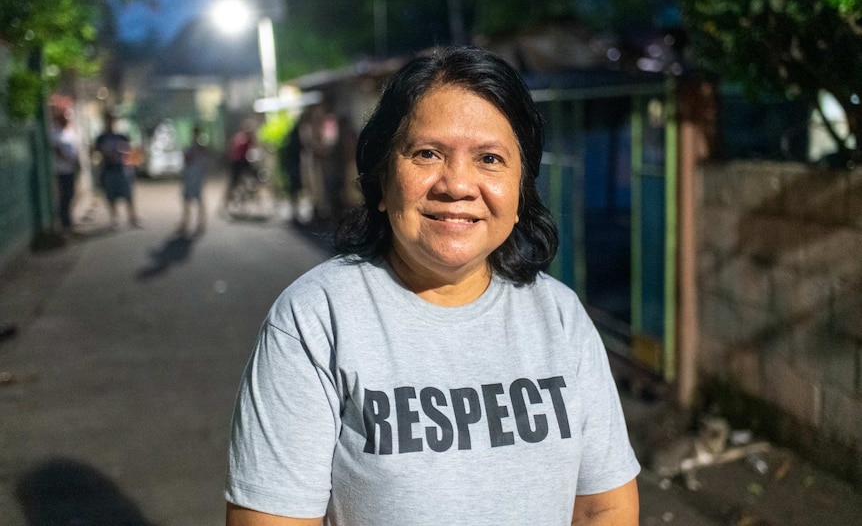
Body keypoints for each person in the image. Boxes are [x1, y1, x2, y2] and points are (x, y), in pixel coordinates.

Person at [224, 46, 640, 526]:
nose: (457, 185)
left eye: (489, 158)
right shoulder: (316, 321)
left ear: (521, 191)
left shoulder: (561, 317)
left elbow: (602, 506)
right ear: (381, 180)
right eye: (427, 154)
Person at [94, 112, 141, 230]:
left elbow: (131, 152)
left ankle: (132, 217)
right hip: (109, 169)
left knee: (128, 195)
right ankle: (114, 219)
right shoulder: (101, 138)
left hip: (122, 169)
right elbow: (96, 154)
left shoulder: (121, 136)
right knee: (111, 196)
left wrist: (133, 167)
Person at [51, 111, 80, 235]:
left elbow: (75, 150)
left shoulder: (69, 133)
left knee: (71, 194)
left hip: (70, 169)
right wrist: (67, 159)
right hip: (61, 170)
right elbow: (57, 150)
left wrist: (76, 163)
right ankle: (64, 222)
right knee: (64, 196)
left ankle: (68, 221)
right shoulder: (55, 133)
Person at [178, 124, 210, 236]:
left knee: (190, 200)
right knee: (194, 200)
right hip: (195, 176)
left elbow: (187, 159)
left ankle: (190, 223)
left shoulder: (197, 147)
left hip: (193, 176)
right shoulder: (199, 147)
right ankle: (194, 223)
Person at [223, 118, 258, 211]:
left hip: (240, 162)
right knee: (236, 182)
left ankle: (234, 201)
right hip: (238, 162)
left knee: (239, 183)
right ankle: (227, 203)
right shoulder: (244, 138)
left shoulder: (240, 136)